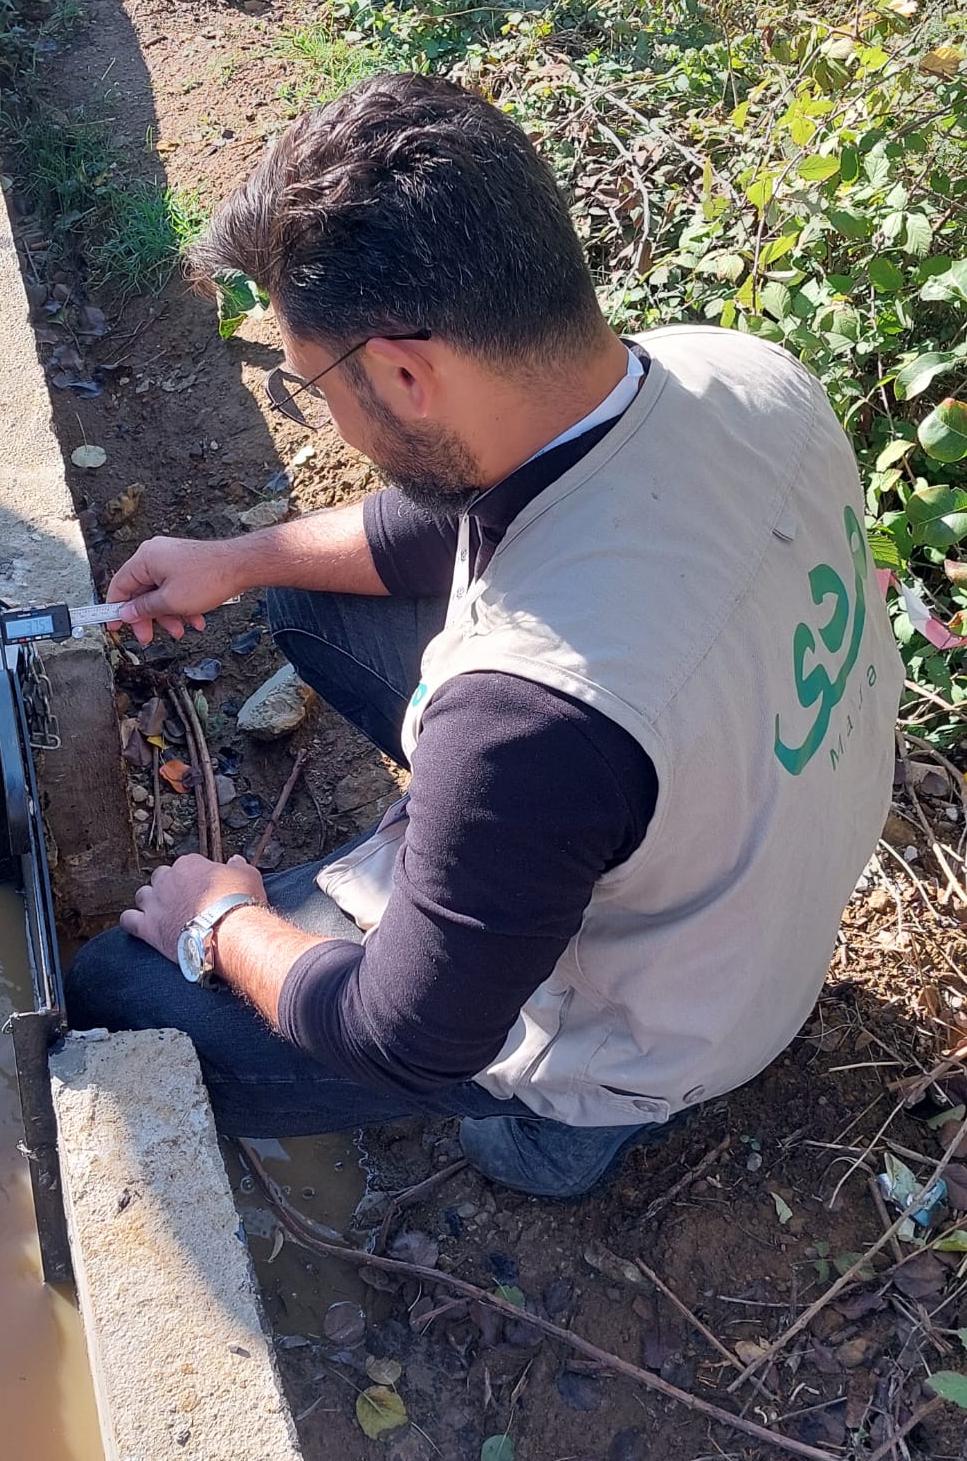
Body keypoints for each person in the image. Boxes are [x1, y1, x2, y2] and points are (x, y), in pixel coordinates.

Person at [65, 73, 902, 1199]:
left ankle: (573, 1132)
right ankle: (519, 888)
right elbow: (437, 518)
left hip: (667, 1033)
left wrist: (219, 920)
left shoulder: (531, 721)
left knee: (115, 997)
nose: (331, 416)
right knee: (307, 596)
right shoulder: (735, 370)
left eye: (321, 384)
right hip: (758, 859)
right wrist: (240, 558)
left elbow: (402, 1039)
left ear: (406, 372)